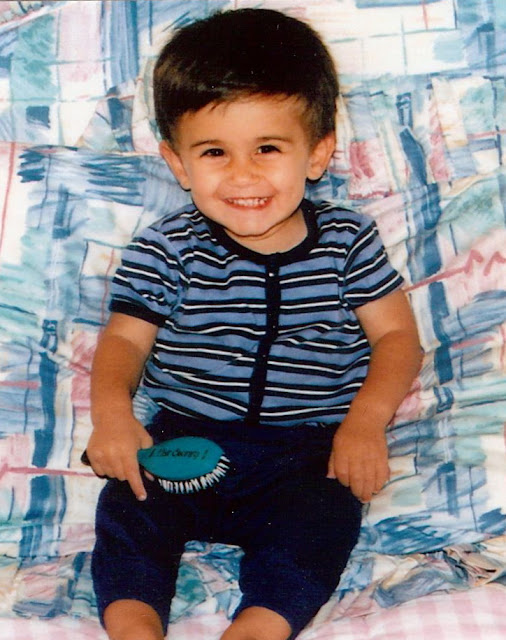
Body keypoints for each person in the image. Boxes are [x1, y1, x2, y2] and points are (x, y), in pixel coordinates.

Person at [85, 8, 421, 640]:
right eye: (214, 152)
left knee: (324, 521)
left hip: (305, 450)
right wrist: (112, 415)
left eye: (267, 148)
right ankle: (134, 628)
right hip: (184, 438)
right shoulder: (167, 248)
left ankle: (257, 629)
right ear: (178, 163)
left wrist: (365, 423)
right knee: (129, 509)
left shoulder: (347, 240)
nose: (243, 175)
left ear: (317, 152)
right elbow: (126, 339)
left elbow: (398, 338)